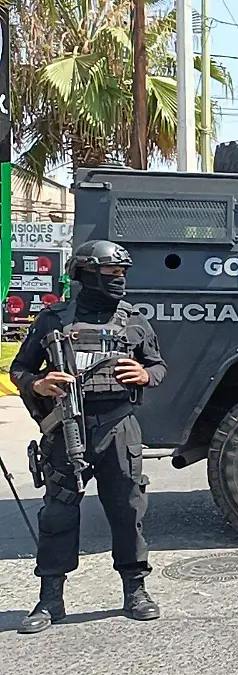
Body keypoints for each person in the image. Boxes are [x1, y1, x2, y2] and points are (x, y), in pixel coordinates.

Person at [9, 239, 168, 633]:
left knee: (128, 510)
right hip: (67, 427)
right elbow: (20, 369)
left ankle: (135, 590)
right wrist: (39, 384)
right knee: (58, 514)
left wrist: (145, 375)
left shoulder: (134, 320)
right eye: (112, 272)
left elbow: (158, 366)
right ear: (87, 274)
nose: (119, 279)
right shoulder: (53, 320)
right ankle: (50, 599)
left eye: (122, 273)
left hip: (118, 426)